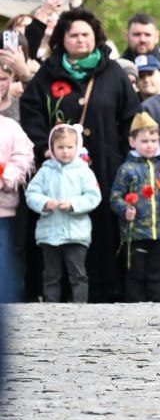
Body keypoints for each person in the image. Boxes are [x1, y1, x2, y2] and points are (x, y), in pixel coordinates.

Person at [19, 8, 140, 302]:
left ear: (95, 36)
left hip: (105, 166)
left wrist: (124, 157)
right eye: (73, 34)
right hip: (57, 170)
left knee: (101, 227)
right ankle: (56, 294)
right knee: (61, 229)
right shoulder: (48, 73)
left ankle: (102, 292)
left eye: (85, 34)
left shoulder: (113, 73)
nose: (80, 39)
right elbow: (32, 113)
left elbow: (131, 118)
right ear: (63, 38)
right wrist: (43, 147)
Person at [28, 124, 100, 303]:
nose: (65, 151)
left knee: (78, 274)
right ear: (52, 148)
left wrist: (74, 205)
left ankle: (79, 307)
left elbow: (94, 196)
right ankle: (51, 309)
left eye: (70, 147)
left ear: (78, 147)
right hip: (49, 233)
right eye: (60, 147)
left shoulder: (84, 171)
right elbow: (31, 193)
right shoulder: (45, 171)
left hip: (76, 233)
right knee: (51, 275)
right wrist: (44, 203)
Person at [109, 113, 160, 302]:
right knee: (136, 273)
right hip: (134, 233)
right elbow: (115, 197)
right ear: (132, 142)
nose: (150, 145)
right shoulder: (126, 169)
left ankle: (156, 304)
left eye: (153, 140)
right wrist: (125, 209)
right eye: (144, 141)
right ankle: (135, 306)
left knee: (157, 273)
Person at [0, 109, 33, 303]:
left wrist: (6, 177)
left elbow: (24, 154)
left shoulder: (10, 126)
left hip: (5, 208)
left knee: (5, 255)